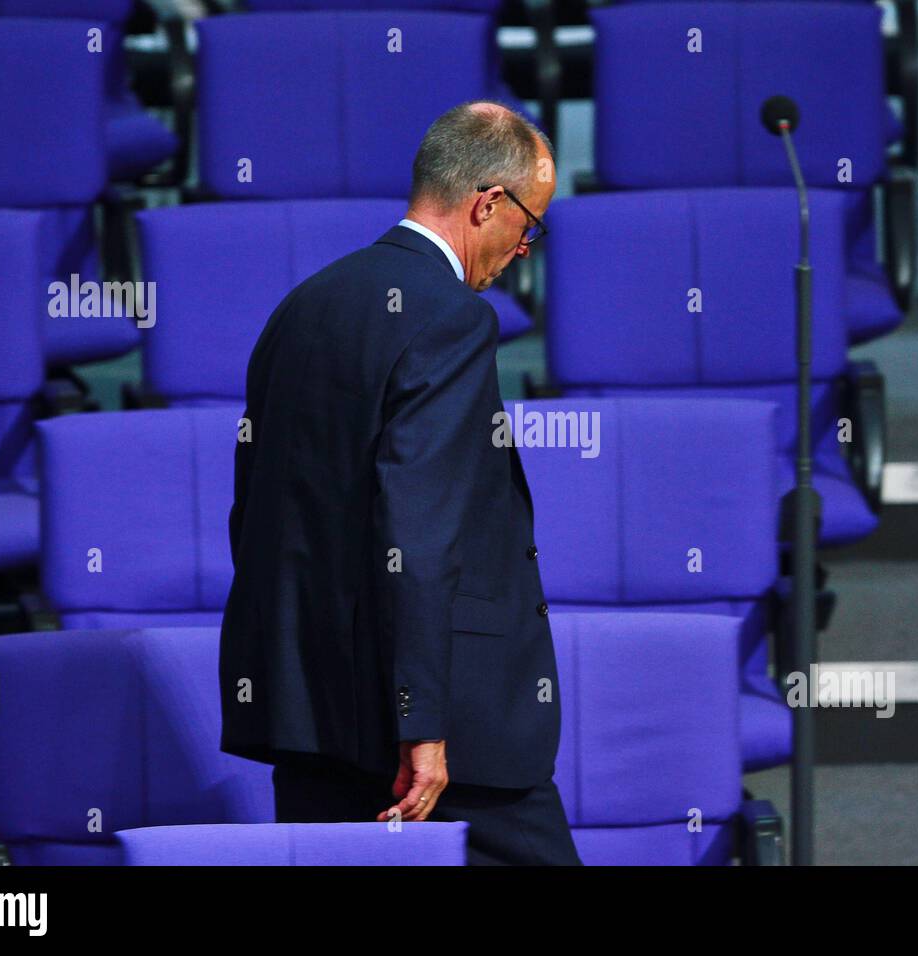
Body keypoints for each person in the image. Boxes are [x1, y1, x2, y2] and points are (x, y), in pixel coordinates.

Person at [218, 100, 580, 865]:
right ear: (489, 203)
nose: (523, 250)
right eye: (530, 226)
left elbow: (254, 509)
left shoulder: (303, 305)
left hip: (310, 709)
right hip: (437, 732)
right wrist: (421, 721)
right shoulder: (450, 319)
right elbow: (419, 532)